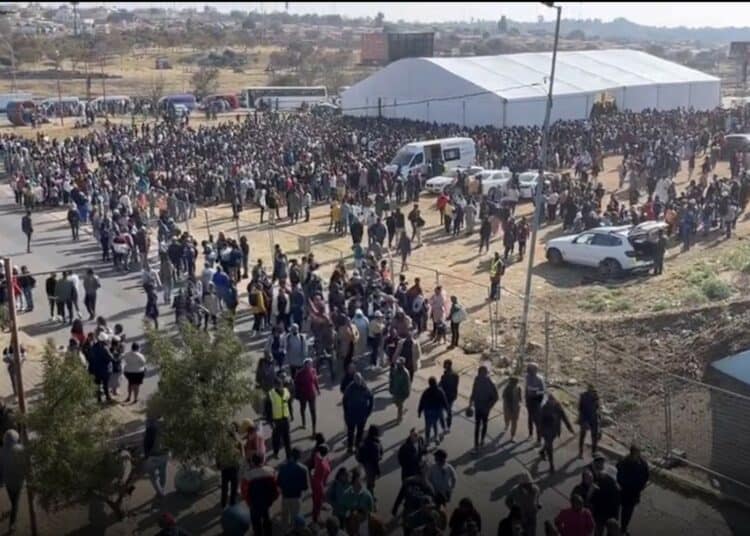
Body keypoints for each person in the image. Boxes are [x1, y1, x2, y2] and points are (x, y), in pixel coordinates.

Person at [616, 445, 649, 535]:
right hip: (624, 491)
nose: (638, 454)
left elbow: (646, 475)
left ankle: (623, 529)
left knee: (627, 513)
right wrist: (625, 484)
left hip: (634, 494)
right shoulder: (624, 462)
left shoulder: (642, 463)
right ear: (632, 453)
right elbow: (619, 475)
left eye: (639, 452)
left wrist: (642, 485)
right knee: (616, 510)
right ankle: (614, 527)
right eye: (636, 452)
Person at [539, 392, 574, 474]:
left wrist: (570, 428)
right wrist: (540, 432)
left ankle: (542, 451)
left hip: (555, 430)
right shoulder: (544, 408)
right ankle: (551, 465)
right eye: (550, 400)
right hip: (547, 430)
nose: (551, 401)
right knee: (550, 447)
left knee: (549, 443)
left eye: (553, 400)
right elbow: (541, 421)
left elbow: (564, 417)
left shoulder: (558, 407)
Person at [245, 454, 279, 536]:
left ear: (253, 462)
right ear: (262, 460)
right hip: (267, 501)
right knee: (267, 518)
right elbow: (276, 487)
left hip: (254, 503)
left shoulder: (248, 475)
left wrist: (249, 503)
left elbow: (244, 492)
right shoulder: (270, 471)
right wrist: (272, 499)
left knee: (256, 522)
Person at [277, 448, 310, 530]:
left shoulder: (282, 467)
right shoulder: (303, 469)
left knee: (285, 515)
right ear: (299, 457)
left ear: (291, 456)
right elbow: (305, 487)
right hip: (296, 497)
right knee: (295, 516)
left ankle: (284, 529)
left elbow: (279, 483)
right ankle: (293, 530)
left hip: (285, 496)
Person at [468, 365, 498, 451]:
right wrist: (470, 404)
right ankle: (477, 443)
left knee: (482, 424)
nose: (479, 374)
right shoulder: (477, 380)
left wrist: (488, 406)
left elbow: (495, 397)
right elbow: (473, 392)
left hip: (484, 407)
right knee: (479, 425)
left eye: (480, 373)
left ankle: (480, 442)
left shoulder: (490, 382)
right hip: (478, 406)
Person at [1, 429, 26, 533]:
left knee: (13, 499)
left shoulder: (1, 451)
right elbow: (25, 465)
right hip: (18, 481)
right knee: (16, 502)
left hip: (8, 481)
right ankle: (12, 524)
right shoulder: (21, 449)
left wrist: (1, 481)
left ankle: (12, 514)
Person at [342, 373, 374, 454]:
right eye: (356, 380)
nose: (358, 381)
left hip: (362, 415)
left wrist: (369, 411)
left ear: (361, 379)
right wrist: (346, 412)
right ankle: (350, 447)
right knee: (350, 432)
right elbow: (344, 400)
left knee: (360, 432)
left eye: (359, 379)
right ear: (354, 380)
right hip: (351, 415)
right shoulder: (350, 388)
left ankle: (357, 446)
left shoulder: (365, 388)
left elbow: (371, 398)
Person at [591, 455, 621, 536]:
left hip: (599, 514)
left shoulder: (600, 483)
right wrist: (616, 518)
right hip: (611, 516)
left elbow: (594, 499)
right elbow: (617, 505)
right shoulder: (617, 488)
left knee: (598, 531)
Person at [143, 413, 169, 506]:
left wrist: (146, 456)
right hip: (164, 455)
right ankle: (162, 489)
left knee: (153, 476)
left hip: (153, 457)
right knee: (163, 472)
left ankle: (160, 492)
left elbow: (146, 444)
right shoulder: (164, 427)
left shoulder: (149, 429)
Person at [216, 422, 243, 509]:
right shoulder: (237, 438)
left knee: (224, 487)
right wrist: (240, 461)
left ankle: (223, 505)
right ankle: (232, 504)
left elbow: (218, 452)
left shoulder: (222, 438)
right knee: (234, 487)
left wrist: (218, 463)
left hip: (225, 466)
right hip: (234, 466)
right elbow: (242, 452)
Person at [265, 378, 292, 459]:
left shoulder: (286, 391)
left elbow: (289, 403)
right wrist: (270, 422)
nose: (280, 387)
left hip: (285, 418)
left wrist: (291, 414)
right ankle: (275, 453)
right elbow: (267, 409)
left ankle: (289, 456)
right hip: (276, 420)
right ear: (275, 386)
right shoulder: (271, 394)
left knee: (287, 438)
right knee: (276, 438)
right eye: (278, 385)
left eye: (281, 385)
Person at [418, 376, 450, 445]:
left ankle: (427, 440)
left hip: (428, 411)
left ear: (429, 383)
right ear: (435, 382)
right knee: (435, 424)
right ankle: (436, 437)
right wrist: (447, 410)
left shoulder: (426, 391)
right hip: (437, 410)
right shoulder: (440, 391)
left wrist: (419, 411)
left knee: (428, 426)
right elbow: (444, 401)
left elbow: (421, 402)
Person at [507, 471, 541, 536]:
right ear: (521, 484)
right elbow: (508, 501)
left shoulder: (535, 489)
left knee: (533, 531)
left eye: (529, 483)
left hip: (532, 514)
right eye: (527, 484)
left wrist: (537, 504)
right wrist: (513, 509)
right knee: (524, 532)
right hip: (522, 516)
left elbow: (538, 496)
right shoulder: (515, 491)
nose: (529, 485)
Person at [294, 358, 320, 436]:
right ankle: (304, 423)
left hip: (312, 394)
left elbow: (315, 380)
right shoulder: (299, 373)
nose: (310, 366)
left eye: (311, 364)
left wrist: (318, 389)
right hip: (303, 395)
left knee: (313, 411)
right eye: (308, 364)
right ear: (304, 365)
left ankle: (314, 430)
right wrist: (297, 394)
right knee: (303, 408)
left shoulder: (313, 371)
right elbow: (296, 385)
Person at [357, 425, 383, 495]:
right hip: (371, 465)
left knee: (369, 478)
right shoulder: (375, 445)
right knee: (371, 481)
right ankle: (370, 495)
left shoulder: (364, 441)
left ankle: (369, 491)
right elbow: (375, 460)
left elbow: (359, 451)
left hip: (365, 462)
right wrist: (378, 471)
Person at [578, 384, 601, 459]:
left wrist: (598, 419)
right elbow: (580, 408)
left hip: (593, 419)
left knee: (594, 437)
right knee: (582, 436)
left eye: (593, 390)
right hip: (585, 418)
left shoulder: (596, 396)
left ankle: (594, 452)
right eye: (591, 390)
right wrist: (583, 420)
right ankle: (580, 452)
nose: (592, 392)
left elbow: (598, 408)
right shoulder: (583, 396)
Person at [311, 444, 332, 524]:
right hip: (319, 484)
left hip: (319, 481)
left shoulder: (318, 456)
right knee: (317, 502)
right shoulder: (322, 464)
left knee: (318, 500)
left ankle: (319, 508)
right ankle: (316, 517)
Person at [525, 363, 545, 444]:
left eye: (530, 369)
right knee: (530, 419)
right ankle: (530, 435)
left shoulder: (540, 379)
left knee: (537, 421)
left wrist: (535, 392)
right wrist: (526, 399)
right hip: (529, 401)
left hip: (537, 401)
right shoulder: (527, 377)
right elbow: (526, 388)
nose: (528, 371)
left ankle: (539, 440)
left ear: (535, 370)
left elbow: (543, 391)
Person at [439, 359, 459, 433]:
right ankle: (448, 427)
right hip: (452, 396)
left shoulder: (445, 376)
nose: (443, 365)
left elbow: (441, 385)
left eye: (445, 364)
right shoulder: (456, 375)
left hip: (446, 396)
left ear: (448, 365)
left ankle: (445, 427)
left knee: (441, 411)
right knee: (448, 412)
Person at [502, 376, 523, 441]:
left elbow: (520, 399)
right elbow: (504, 396)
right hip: (509, 407)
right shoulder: (508, 388)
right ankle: (507, 426)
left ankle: (512, 436)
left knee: (513, 422)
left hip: (514, 408)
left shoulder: (518, 388)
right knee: (508, 419)